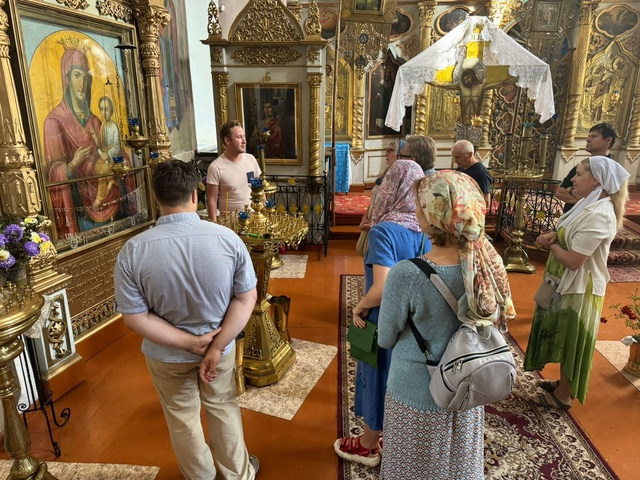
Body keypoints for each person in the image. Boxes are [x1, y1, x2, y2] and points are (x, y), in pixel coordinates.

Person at [114, 159, 259, 479]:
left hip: (166, 354)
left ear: (156, 198)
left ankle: (201, 476)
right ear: (195, 194)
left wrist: (189, 343)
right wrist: (214, 346)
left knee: (182, 418)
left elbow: (135, 318)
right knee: (223, 407)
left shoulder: (133, 251)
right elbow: (246, 298)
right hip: (219, 347)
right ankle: (238, 474)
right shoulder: (227, 239)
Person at [377, 170, 515, 479]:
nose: (415, 210)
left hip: (417, 392)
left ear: (433, 214)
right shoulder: (485, 264)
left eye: (419, 204)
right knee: (456, 465)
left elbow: (385, 338)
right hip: (467, 388)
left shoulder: (407, 274)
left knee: (413, 469)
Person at [335, 160, 429, 467]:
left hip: (381, 319)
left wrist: (360, 305)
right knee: (401, 379)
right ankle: (396, 437)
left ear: (392, 187)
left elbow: (383, 287)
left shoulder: (385, 231)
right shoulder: (427, 229)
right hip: (414, 321)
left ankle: (368, 445)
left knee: (376, 376)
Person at [524, 156, 629, 409]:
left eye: (579, 174)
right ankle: (563, 383)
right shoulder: (587, 204)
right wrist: (555, 234)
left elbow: (573, 260)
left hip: (581, 288)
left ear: (597, 181)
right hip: (566, 283)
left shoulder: (600, 214)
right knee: (564, 333)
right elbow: (568, 232)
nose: (572, 179)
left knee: (573, 339)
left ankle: (563, 395)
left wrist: (551, 244)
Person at [44, 48, 129, 235]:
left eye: (86, 78)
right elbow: (52, 172)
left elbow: (115, 152)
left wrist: (123, 160)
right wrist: (72, 164)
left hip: (108, 198)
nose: (82, 83)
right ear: (66, 79)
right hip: (80, 209)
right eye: (76, 75)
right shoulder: (54, 122)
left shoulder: (96, 121)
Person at [356, 139, 405, 257]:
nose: (386, 154)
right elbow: (375, 200)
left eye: (390, 150)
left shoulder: (402, 179)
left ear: (400, 154)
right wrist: (365, 216)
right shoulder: (386, 173)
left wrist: (374, 224)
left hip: (382, 229)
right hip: (371, 223)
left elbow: (395, 211)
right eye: (386, 150)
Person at [556, 123, 616, 213]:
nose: (588, 140)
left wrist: (571, 190)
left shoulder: (611, 170)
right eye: (588, 136)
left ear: (608, 140)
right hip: (571, 214)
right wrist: (586, 202)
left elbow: (606, 199)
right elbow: (560, 191)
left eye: (594, 136)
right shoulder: (582, 165)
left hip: (592, 216)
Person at [207, 121, 262, 221]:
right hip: (230, 223)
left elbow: (260, 190)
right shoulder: (216, 167)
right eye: (239, 137)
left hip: (253, 220)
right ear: (227, 140)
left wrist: (264, 212)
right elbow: (212, 200)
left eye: (244, 136)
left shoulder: (251, 159)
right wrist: (214, 224)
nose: (244, 141)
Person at [89, 96, 121, 208]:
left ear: (111, 110)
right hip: (104, 156)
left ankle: (99, 198)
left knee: (103, 171)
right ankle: (111, 180)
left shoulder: (114, 126)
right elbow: (101, 144)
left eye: (106, 109)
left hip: (113, 158)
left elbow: (117, 147)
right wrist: (95, 136)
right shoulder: (103, 125)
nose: (103, 112)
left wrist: (107, 154)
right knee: (97, 166)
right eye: (101, 109)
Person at [452, 139, 492, 205]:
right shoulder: (461, 168)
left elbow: (486, 202)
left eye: (458, 157)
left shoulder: (481, 173)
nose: (455, 161)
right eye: (454, 157)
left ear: (470, 154)